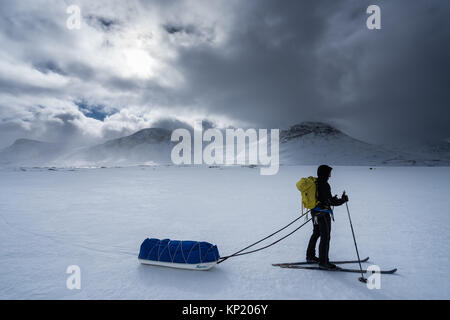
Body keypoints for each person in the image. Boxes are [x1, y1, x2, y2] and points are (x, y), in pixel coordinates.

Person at [306, 164, 349, 270]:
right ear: (325, 173)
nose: (330, 175)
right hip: (323, 214)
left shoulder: (316, 183)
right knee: (325, 237)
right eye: (329, 173)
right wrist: (343, 200)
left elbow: (324, 198)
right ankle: (323, 262)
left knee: (316, 233)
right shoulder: (324, 184)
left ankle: (310, 256)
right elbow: (330, 201)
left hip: (314, 212)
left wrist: (331, 199)